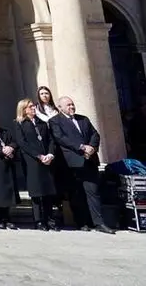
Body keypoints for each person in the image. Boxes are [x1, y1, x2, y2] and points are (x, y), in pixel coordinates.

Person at [49, 96, 114, 233]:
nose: (71, 107)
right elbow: (61, 138)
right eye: (68, 105)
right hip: (72, 163)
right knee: (77, 194)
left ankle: (98, 222)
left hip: (89, 160)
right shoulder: (55, 121)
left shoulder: (83, 119)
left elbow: (95, 134)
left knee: (93, 192)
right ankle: (81, 222)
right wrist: (81, 147)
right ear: (60, 108)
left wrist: (91, 147)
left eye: (72, 104)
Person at [14, 98, 59, 230]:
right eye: (30, 107)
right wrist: (38, 156)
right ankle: (39, 220)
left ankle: (50, 218)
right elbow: (22, 143)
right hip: (32, 161)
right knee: (37, 192)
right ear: (24, 109)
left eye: (33, 106)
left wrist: (50, 154)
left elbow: (50, 140)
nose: (33, 108)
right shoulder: (20, 124)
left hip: (47, 160)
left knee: (48, 191)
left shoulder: (42, 123)